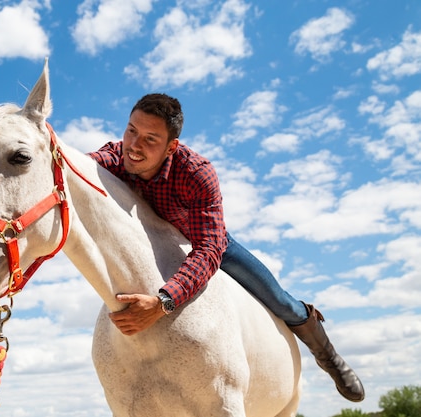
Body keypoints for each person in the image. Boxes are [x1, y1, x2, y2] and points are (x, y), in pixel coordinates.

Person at [87, 93, 365, 402]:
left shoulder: (196, 172)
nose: (135, 145)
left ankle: (330, 358)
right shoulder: (115, 157)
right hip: (155, 246)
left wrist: (164, 302)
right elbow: (73, 169)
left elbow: (208, 249)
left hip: (207, 243)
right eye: (131, 130)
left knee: (280, 300)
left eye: (150, 139)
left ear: (171, 147)